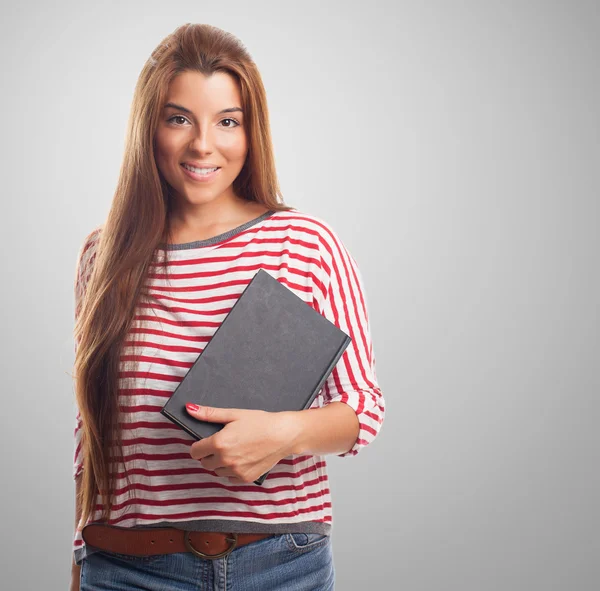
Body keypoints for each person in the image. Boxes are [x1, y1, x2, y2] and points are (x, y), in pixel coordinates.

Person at [70, 22, 385, 591]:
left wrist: (285, 433)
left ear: (250, 130)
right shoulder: (104, 253)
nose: (202, 145)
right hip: (126, 569)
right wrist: (77, 566)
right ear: (150, 127)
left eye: (227, 122)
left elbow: (363, 409)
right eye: (179, 118)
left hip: (280, 565)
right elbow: (90, 435)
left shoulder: (304, 244)